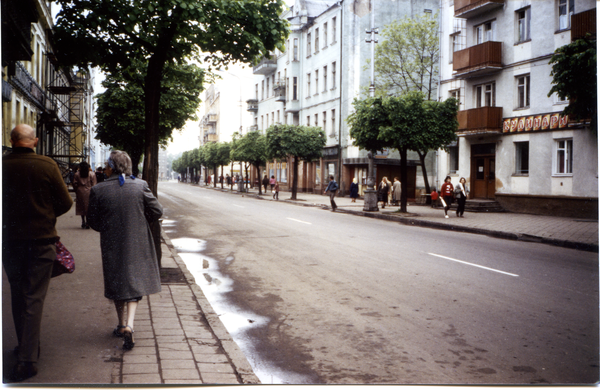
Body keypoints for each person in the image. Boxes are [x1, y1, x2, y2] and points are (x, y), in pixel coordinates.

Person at [3, 124, 73, 381]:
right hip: (42, 242)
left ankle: (25, 346)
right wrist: (44, 214)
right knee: (34, 297)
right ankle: (27, 360)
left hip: (9, 241)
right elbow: (66, 202)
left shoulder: (2, 165)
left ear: (11, 141)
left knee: (18, 293)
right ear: (33, 142)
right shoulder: (47, 165)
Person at [87, 150, 163, 351]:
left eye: (107, 165)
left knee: (116, 279)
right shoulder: (140, 186)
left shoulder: (99, 190)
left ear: (111, 167)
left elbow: (93, 220)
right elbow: (157, 210)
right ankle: (130, 324)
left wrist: (107, 227)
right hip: (137, 240)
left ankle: (120, 325)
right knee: (134, 281)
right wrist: (140, 220)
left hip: (111, 242)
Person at [72, 161, 97, 229]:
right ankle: (88, 223)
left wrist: (77, 190)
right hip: (89, 191)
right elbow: (94, 184)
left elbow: (74, 183)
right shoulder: (92, 174)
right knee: (89, 207)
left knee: (81, 207)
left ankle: (83, 221)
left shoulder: (77, 174)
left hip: (80, 191)